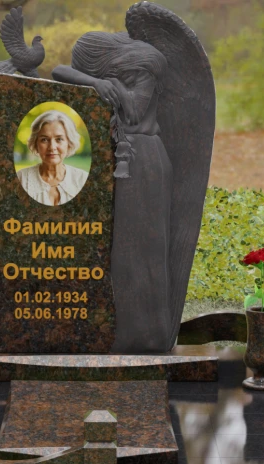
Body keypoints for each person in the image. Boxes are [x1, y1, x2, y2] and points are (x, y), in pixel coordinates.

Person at [53, 32, 173, 353]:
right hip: (128, 159)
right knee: (124, 250)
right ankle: (125, 330)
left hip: (144, 160)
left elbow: (132, 112)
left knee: (144, 250)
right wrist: (96, 82)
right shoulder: (113, 75)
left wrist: (111, 85)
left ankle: (149, 335)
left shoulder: (145, 70)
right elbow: (59, 71)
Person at [17, 110, 88, 206]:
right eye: (44, 140)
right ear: (36, 144)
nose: (52, 147)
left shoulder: (82, 179)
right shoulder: (21, 179)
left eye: (59, 139)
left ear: (69, 143)